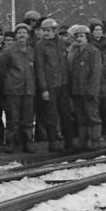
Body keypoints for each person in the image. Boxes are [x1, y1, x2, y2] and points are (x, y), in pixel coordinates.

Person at [0, 23, 36, 153]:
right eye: (19, 33)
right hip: (13, 89)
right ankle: (10, 143)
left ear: (28, 36)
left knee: (28, 118)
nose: (22, 35)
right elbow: (1, 69)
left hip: (29, 89)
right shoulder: (8, 51)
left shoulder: (31, 51)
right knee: (13, 118)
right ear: (15, 35)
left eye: (24, 33)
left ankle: (28, 143)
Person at [34, 18, 70, 151]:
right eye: (44, 31)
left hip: (63, 83)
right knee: (51, 115)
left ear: (55, 31)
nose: (46, 33)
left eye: (48, 30)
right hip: (50, 85)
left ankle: (69, 141)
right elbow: (40, 68)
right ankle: (53, 142)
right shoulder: (40, 46)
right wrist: (44, 88)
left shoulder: (62, 44)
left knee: (66, 114)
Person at [66, 24, 102, 149]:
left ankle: (95, 140)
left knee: (92, 115)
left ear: (87, 37)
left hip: (88, 90)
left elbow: (96, 73)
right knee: (80, 116)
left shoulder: (93, 52)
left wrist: (92, 90)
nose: (79, 39)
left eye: (82, 36)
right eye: (77, 37)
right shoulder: (73, 52)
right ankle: (83, 140)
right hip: (77, 90)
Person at [89, 20, 106, 137]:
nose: (98, 32)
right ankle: (99, 131)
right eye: (96, 30)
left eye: (100, 30)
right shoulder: (90, 44)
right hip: (96, 76)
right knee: (97, 104)